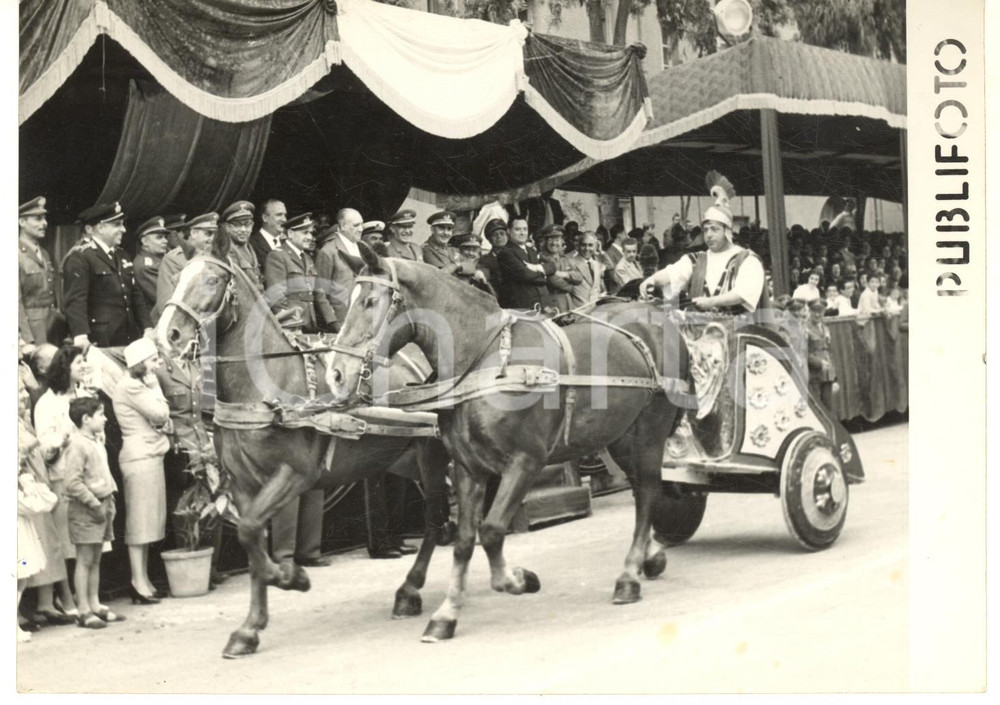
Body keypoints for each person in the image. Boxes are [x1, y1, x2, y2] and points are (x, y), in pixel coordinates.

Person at [155, 344, 226, 588]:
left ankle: (211, 565)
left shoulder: (196, 367)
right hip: (180, 448)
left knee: (211, 504)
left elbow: (205, 407)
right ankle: (189, 562)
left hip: (203, 445)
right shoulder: (160, 372)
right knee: (184, 507)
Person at [640, 187, 769, 316]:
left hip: (737, 330)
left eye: (714, 229)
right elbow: (673, 273)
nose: (708, 235)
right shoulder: (696, 259)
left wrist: (711, 301)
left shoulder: (747, 259)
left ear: (727, 231)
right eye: (706, 230)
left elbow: (743, 293)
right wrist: (652, 280)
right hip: (698, 330)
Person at [112, 338, 171, 604]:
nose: (157, 365)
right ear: (140, 364)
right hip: (140, 458)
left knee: (147, 523)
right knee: (139, 523)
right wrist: (156, 386)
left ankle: (143, 579)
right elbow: (160, 414)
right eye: (153, 360)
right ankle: (137, 581)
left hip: (148, 455)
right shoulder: (133, 386)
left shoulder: (136, 384)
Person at [19, 376, 77, 628]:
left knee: (46, 547)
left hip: (37, 488)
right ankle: (18, 614)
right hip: (24, 492)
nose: (24, 396)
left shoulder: (22, 421)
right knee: (22, 555)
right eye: (19, 392)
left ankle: (45, 602)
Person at [62, 396, 125, 629]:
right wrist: (95, 504)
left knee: (96, 558)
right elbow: (72, 483)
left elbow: (102, 474)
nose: (106, 418)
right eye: (100, 414)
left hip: (104, 504)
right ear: (86, 419)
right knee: (85, 559)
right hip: (87, 509)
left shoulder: (96, 440)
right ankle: (83, 610)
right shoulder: (78, 445)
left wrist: (109, 500)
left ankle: (95, 604)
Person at [63, 201, 152, 349]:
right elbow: (76, 300)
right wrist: (80, 336)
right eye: (116, 224)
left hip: (129, 335)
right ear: (97, 228)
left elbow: (135, 295)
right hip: (101, 339)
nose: (123, 229)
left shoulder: (122, 255)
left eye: (122, 224)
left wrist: (147, 328)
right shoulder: (81, 257)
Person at [265, 213, 337, 333]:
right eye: (305, 233)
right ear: (291, 234)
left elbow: (319, 295)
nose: (310, 237)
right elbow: (276, 296)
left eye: (311, 233)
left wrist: (333, 322)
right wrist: (289, 324)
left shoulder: (307, 258)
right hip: (292, 326)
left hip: (310, 324)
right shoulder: (277, 256)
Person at [153, 213, 219, 323]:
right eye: (208, 234)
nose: (212, 239)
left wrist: (209, 335)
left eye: (215, 235)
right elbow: (166, 301)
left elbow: (209, 303)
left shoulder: (213, 260)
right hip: (177, 325)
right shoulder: (174, 259)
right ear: (193, 233)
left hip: (206, 324)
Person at [315, 208, 367, 329]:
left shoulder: (363, 249)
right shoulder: (328, 251)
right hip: (341, 322)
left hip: (363, 319)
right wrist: (333, 322)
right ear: (342, 226)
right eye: (356, 225)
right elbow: (320, 291)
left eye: (362, 224)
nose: (361, 229)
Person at [19, 197, 60, 346]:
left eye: (44, 219)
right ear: (21, 222)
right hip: (32, 333)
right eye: (38, 219)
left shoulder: (44, 254)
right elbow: (16, 303)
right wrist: (26, 339)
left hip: (52, 329)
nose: (44, 223)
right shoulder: (15, 255)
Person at [496, 217, 556, 310]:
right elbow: (525, 275)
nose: (522, 233)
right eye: (517, 229)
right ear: (509, 231)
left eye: (525, 229)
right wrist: (544, 274)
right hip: (524, 308)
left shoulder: (532, 250)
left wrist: (537, 267)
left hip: (545, 304)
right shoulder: (505, 253)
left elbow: (552, 266)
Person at [132, 217, 172, 316]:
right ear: (145, 242)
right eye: (159, 237)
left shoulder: (159, 258)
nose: (165, 241)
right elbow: (164, 296)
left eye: (165, 237)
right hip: (158, 320)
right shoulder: (145, 266)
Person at [537, 225, 581, 312]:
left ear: (562, 242)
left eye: (557, 240)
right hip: (553, 304)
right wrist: (571, 285)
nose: (554, 243)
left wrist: (565, 274)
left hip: (568, 303)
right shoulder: (542, 260)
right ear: (545, 242)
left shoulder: (564, 259)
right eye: (550, 240)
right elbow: (553, 281)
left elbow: (579, 277)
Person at [222, 201, 263, 291]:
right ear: (226, 227)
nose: (243, 230)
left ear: (252, 226)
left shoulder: (250, 248)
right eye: (237, 225)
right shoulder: (225, 253)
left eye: (247, 224)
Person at [806, 299, 838, 410]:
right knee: (817, 406)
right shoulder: (805, 328)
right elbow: (803, 352)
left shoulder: (825, 328)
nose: (817, 314)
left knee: (828, 406)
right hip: (814, 372)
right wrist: (819, 363)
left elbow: (829, 351)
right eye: (814, 311)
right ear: (809, 311)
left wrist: (834, 377)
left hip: (827, 373)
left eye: (820, 311)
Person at [564, 231, 606, 308]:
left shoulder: (597, 264)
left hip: (597, 311)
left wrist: (601, 251)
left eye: (590, 245)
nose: (587, 248)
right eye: (583, 245)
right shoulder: (570, 262)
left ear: (596, 246)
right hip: (579, 312)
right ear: (579, 246)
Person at [249, 199, 287, 274]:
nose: (284, 219)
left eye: (285, 215)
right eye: (279, 215)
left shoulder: (287, 243)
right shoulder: (251, 244)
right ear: (265, 218)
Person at [477, 218, 507, 291]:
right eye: (494, 235)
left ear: (507, 236)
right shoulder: (484, 260)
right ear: (489, 240)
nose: (499, 236)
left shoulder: (516, 254)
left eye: (502, 233)